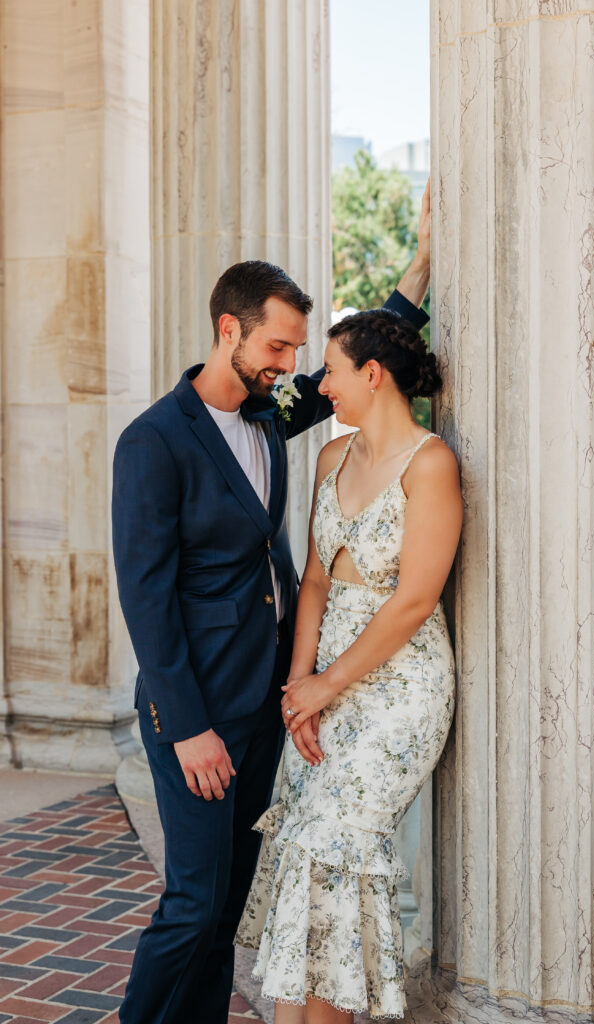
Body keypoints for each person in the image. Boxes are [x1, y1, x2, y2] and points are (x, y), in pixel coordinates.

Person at [111, 190, 431, 1024]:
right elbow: (144, 595)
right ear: (229, 331)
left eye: (296, 348)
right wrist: (186, 723)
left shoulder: (264, 411)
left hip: (260, 698)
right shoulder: (154, 440)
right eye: (277, 345)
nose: (290, 363)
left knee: (227, 908)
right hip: (196, 706)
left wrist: (420, 269)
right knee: (191, 903)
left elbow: (365, 368)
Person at [235, 308, 462, 1022]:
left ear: (372, 373)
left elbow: (415, 600)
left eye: (330, 370)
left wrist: (326, 685)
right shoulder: (332, 458)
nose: (320, 386)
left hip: (398, 687)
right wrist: (297, 691)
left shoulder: (431, 463)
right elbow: (314, 581)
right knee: (302, 859)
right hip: (319, 684)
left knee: (333, 858)